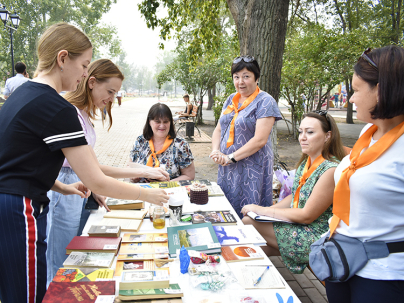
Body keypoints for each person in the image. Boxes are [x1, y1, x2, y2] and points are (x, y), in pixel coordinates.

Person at [0, 23, 168, 303]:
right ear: (63, 58)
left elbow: (16, 164)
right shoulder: (58, 108)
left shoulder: (20, 95)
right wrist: (148, 194)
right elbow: (96, 179)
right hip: (19, 210)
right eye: (84, 65)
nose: (85, 74)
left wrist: (62, 188)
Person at [46, 59, 170, 286]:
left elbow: (93, 168)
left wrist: (146, 171)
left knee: (72, 259)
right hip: (64, 192)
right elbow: (94, 173)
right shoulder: (70, 114)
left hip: (78, 188)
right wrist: (144, 190)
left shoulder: (81, 115)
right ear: (92, 82)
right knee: (60, 264)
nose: (113, 99)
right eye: (110, 91)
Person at [325, 46, 404, 302]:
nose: (350, 99)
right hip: (342, 259)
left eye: (356, 90)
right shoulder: (367, 133)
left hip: (382, 274)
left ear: (380, 90)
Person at [240, 111, 345, 274]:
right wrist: (265, 213)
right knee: (253, 246)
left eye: (309, 132)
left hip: (317, 235)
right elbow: (294, 196)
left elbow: (307, 216)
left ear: (327, 136)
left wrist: (261, 210)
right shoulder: (307, 161)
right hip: (300, 226)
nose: (302, 137)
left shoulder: (331, 169)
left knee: (249, 223)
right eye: (301, 131)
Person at [209, 55, 282, 218]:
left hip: (252, 168)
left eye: (246, 76)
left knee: (249, 214)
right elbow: (219, 129)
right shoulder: (231, 99)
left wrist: (231, 157)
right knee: (226, 210)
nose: (240, 82)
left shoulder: (265, 101)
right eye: (236, 77)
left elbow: (260, 140)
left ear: (257, 78)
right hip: (227, 167)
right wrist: (216, 151)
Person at [129, 103, 195, 182]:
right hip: (141, 191)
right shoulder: (140, 141)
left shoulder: (180, 144)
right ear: (150, 122)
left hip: (169, 191)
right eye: (157, 122)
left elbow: (189, 176)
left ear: (170, 122)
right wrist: (134, 176)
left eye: (165, 121)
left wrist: (166, 184)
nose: (162, 125)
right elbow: (129, 167)